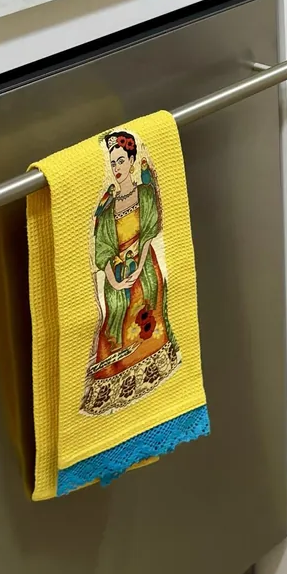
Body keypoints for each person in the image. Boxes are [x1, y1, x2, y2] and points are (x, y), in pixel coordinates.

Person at [85, 129, 177, 411]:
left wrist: (137, 272)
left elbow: (150, 232)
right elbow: (102, 250)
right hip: (117, 277)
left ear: (133, 162)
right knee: (113, 324)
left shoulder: (145, 194)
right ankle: (111, 386)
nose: (117, 169)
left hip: (145, 269)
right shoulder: (108, 207)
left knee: (148, 315)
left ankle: (155, 370)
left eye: (121, 161)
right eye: (113, 163)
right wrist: (114, 278)